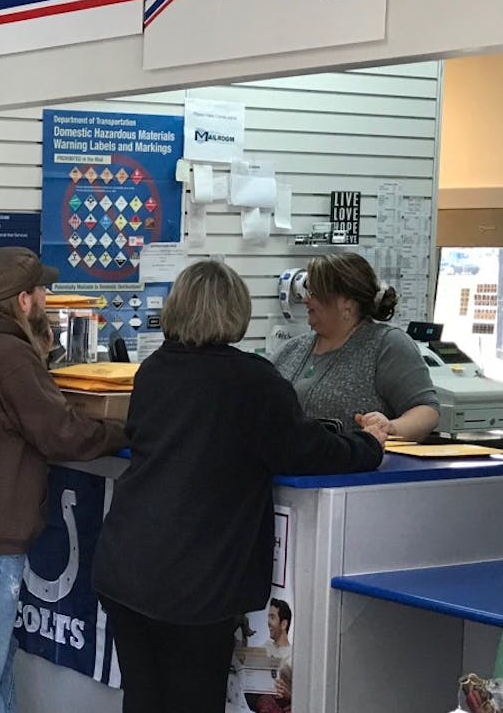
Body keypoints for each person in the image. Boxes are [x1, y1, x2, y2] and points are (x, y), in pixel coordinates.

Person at [92, 260, 386, 713]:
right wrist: (368, 445)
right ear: (236, 311)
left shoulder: (154, 370)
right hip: (194, 581)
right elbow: (306, 452)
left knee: (144, 699)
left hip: (125, 565)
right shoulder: (253, 381)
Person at [0, 246, 128, 713]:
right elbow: (61, 433)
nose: (47, 298)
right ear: (22, 300)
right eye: (41, 291)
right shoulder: (8, 355)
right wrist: (124, 432)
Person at [272, 252, 439, 442]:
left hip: (358, 460)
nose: (305, 300)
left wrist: (390, 428)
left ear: (347, 303)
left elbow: (426, 411)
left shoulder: (386, 345)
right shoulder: (292, 349)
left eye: (314, 293)